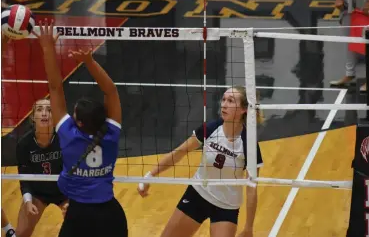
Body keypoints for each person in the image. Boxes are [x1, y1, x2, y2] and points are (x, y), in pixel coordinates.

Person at [33, 19, 127, 237]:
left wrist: (47, 48)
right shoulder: (110, 133)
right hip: (110, 214)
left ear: (80, 123)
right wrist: (89, 61)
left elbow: (55, 87)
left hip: (80, 215)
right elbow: (111, 92)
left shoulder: (68, 134)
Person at [138, 86, 264, 237]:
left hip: (226, 207)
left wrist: (249, 228)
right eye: (223, 99)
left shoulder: (248, 143)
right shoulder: (210, 129)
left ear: (244, 109)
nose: (224, 104)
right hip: (197, 195)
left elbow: (251, 188)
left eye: (230, 101)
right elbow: (179, 153)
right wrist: (150, 175)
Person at [15, 98, 68, 237]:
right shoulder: (24, 144)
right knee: (21, 234)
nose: (44, 113)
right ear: (33, 117)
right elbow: (23, 177)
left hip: (65, 192)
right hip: (38, 193)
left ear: (55, 115)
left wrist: (74, 199)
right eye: (39, 110)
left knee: (82, 230)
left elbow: (75, 170)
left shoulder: (65, 138)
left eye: (49, 110)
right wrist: (27, 201)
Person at [329, 0, 369, 92]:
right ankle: (349, 74)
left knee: (367, 42)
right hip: (346, 4)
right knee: (349, 39)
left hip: (365, 5)